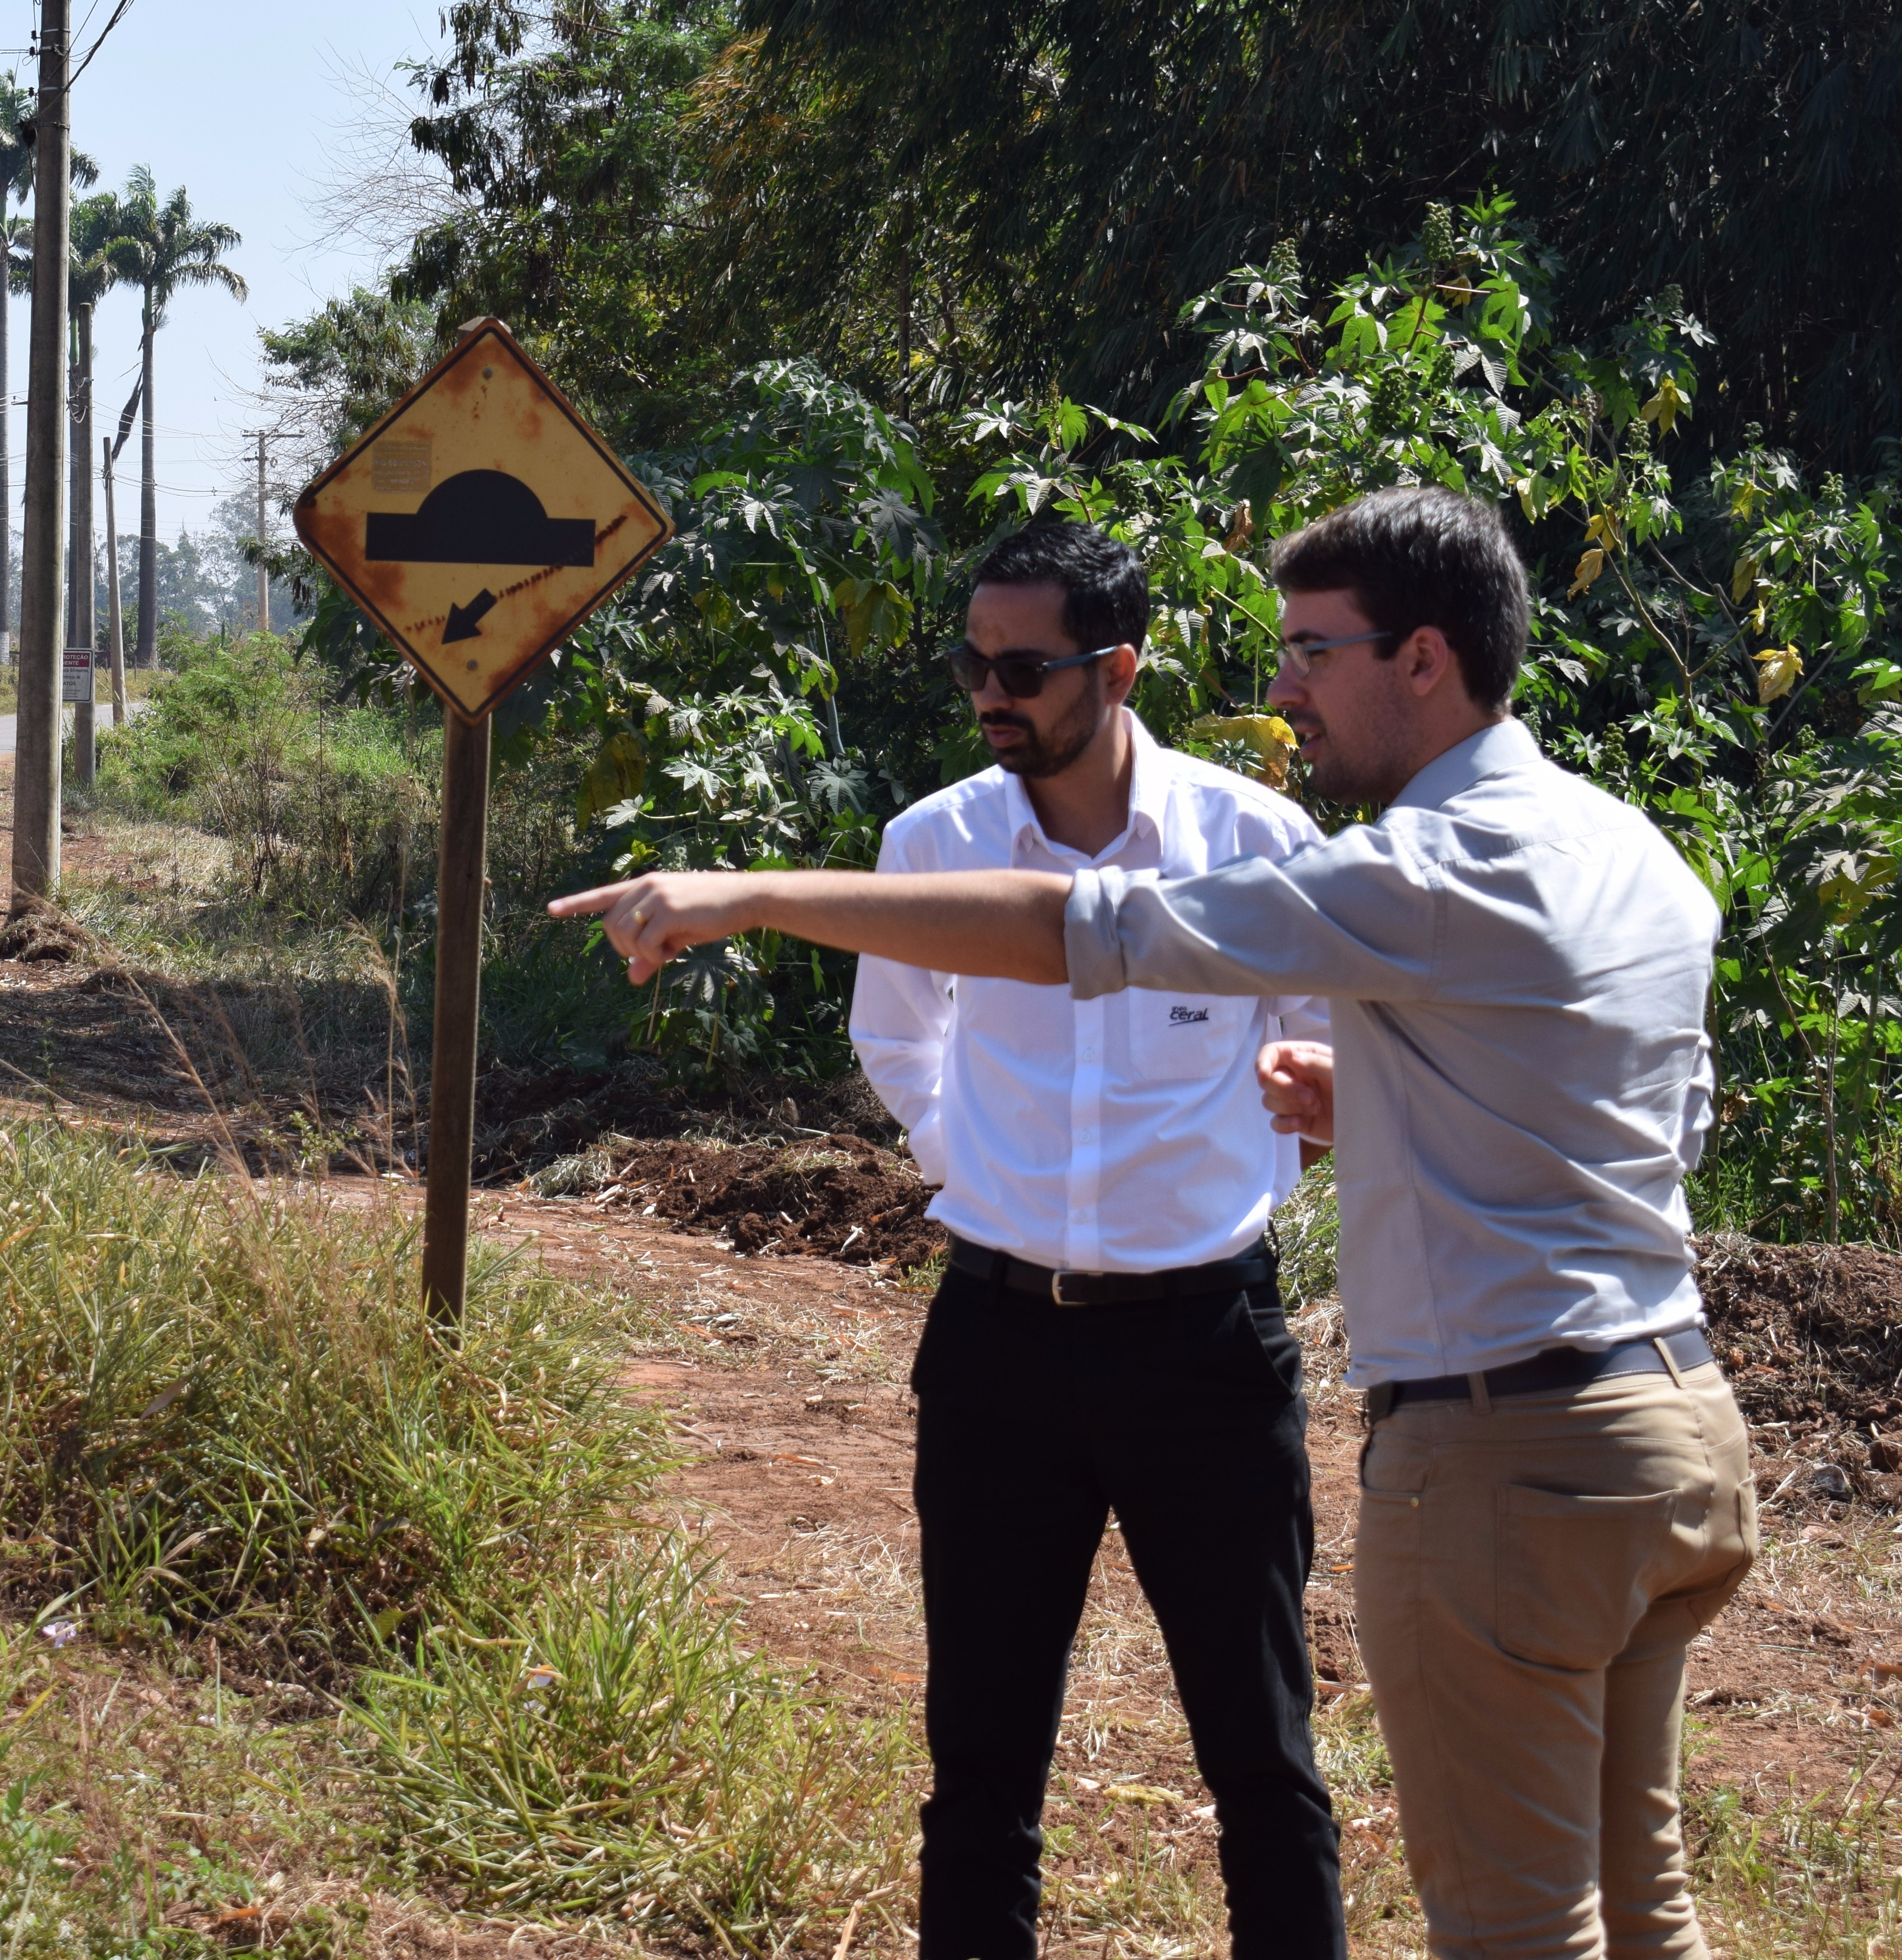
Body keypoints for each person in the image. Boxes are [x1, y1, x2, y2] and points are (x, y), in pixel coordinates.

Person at [553, 485, 1754, 1960]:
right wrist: (1379, 1109)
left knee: (1510, 1920)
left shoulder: (1421, 866)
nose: (1283, 689)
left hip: (1503, 1447)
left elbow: (1089, 932)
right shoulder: (1635, 852)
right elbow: (1652, 1124)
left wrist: (744, 895)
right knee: (1643, 1898)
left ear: (1424, 657)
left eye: (1312, 651)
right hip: (1672, 1424)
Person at [844, 522, 1343, 1960]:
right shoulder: (934, 845)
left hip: (1206, 1348)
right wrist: (975, 1166)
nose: (989, 695)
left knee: (1262, 1760)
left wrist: (1259, 1154)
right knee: (981, 1763)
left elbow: (1325, 1051)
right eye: (973, 665)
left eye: (1023, 669)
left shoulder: (1255, 846)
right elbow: (898, 1036)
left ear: (1117, 669)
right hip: (998, 1343)